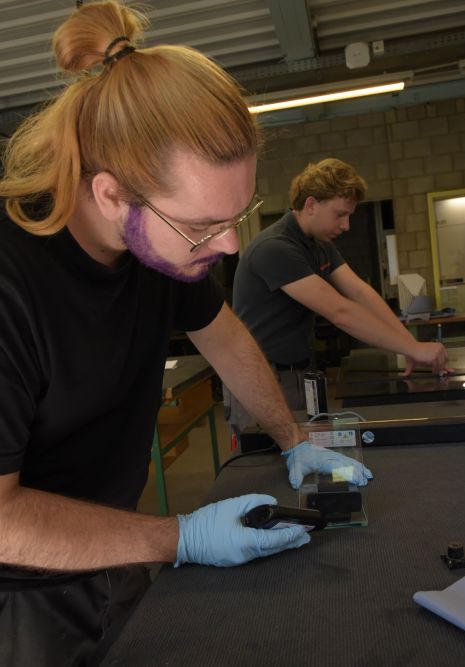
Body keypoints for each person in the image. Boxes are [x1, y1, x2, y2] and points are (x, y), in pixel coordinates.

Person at [0, 3, 371, 664]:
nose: (228, 246)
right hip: (18, 591)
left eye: (237, 216)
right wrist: (182, 537)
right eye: (203, 226)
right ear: (112, 195)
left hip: (115, 548)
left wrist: (292, 439)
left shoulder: (164, 249)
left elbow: (224, 335)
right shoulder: (12, 282)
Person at [226, 158, 450, 437]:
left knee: (304, 449)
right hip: (260, 378)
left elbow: (360, 292)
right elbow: (340, 312)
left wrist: (408, 345)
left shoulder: (320, 245)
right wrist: (413, 349)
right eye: (340, 214)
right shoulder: (275, 248)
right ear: (311, 205)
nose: (346, 225)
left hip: (297, 372)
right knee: (269, 457)